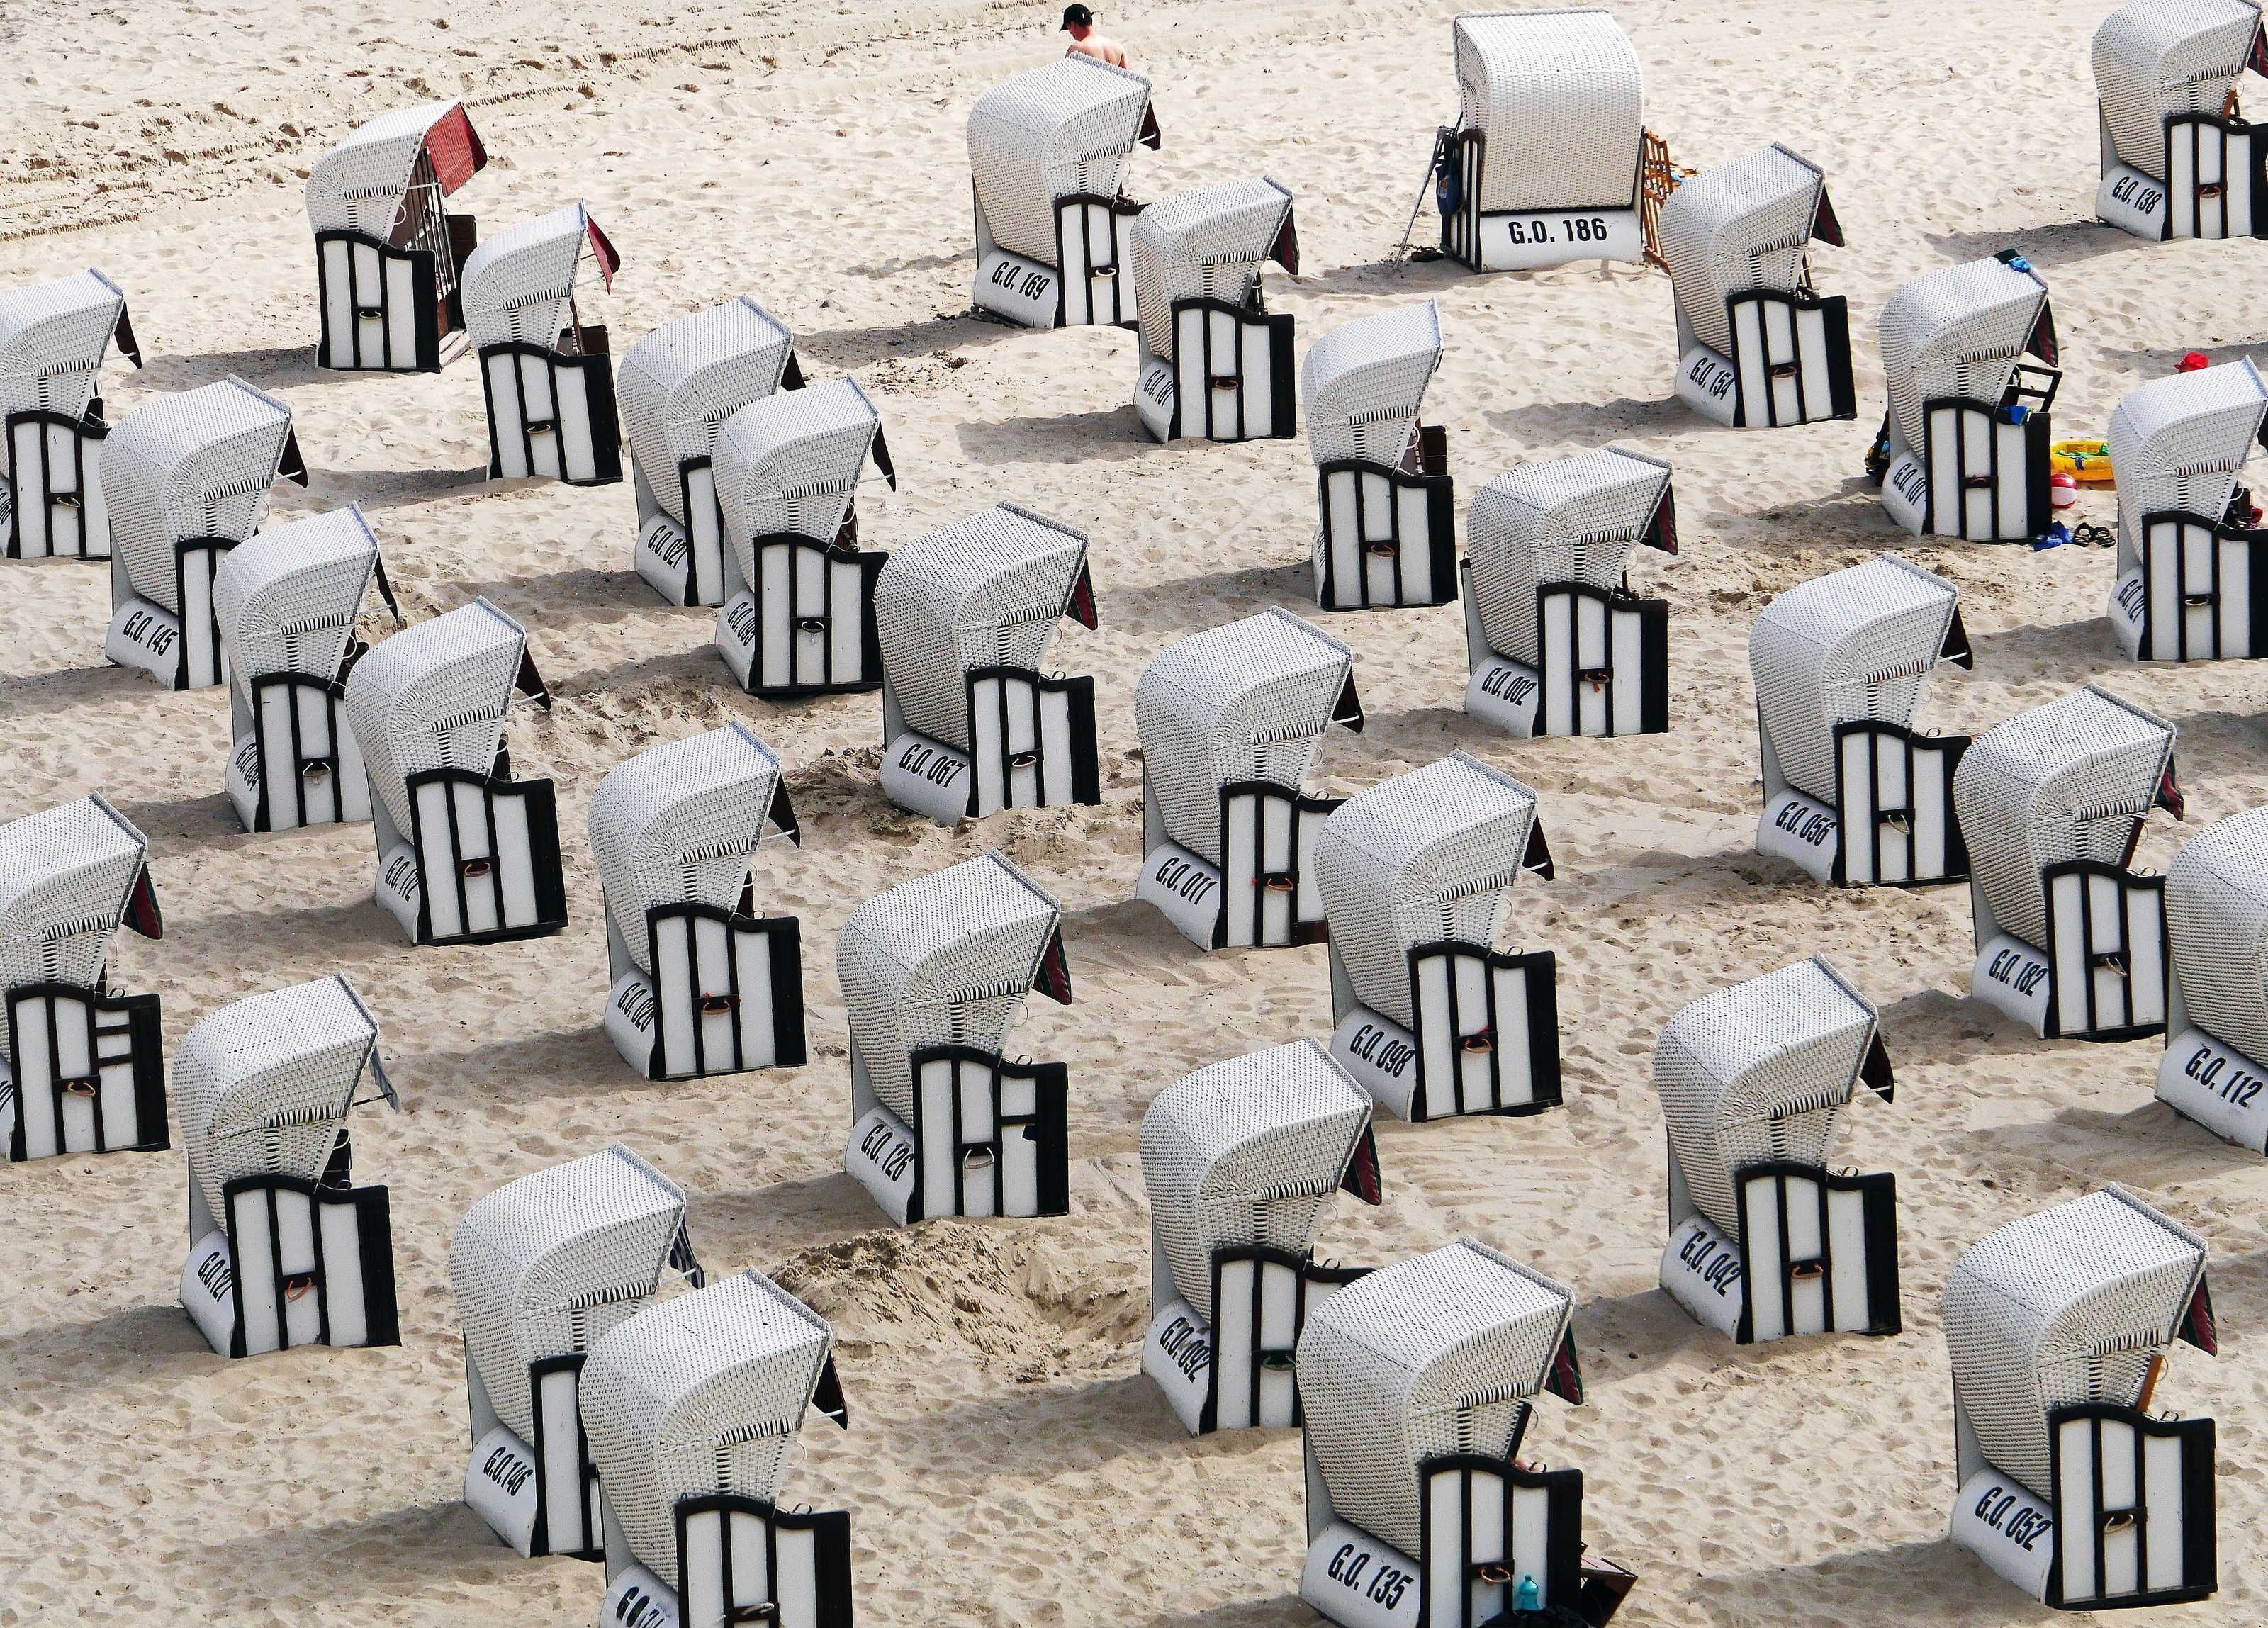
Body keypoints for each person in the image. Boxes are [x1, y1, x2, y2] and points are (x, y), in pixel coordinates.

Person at [1061, 4, 1130, 67]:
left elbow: (1065, 77)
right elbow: (1127, 79)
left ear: (1073, 25)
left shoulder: (1077, 49)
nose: (1070, 32)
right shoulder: (1118, 47)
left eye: (1068, 28)